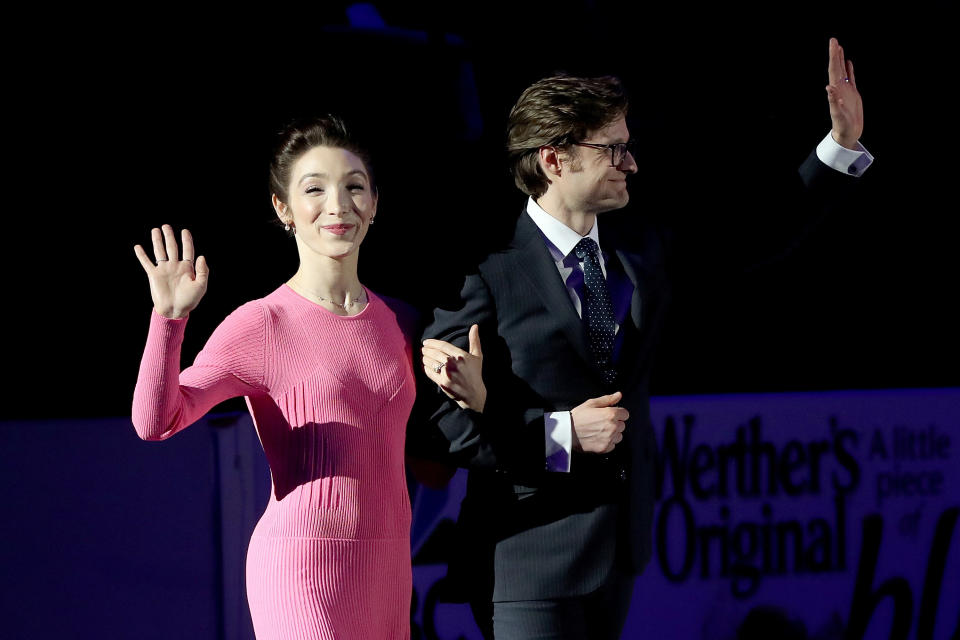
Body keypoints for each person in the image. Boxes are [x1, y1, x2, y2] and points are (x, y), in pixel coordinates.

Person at [416, 38, 870, 639]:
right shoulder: (484, 267)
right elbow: (443, 426)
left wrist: (837, 148)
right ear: (555, 160)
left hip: (619, 554)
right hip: (526, 558)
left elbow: (754, 238)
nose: (631, 164)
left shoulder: (639, 249)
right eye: (614, 150)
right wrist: (562, 436)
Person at [131, 116, 443, 639]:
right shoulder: (263, 324)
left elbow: (432, 455)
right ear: (284, 210)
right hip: (303, 566)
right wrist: (169, 320)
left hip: (389, 570)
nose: (338, 205)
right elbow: (155, 422)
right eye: (314, 189)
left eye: (354, 187)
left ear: (374, 204)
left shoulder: (401, 320)